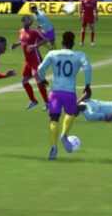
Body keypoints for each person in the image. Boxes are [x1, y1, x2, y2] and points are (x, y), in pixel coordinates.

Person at [36, 31, 92, 160]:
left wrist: (43, 79)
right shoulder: (79, 55)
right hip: (69, 92)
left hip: (55, 92)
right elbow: (88, 67)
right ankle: (64, 134)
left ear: (62, 43)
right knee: (71, 113)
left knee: (54, 119)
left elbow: (40, 69)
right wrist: (87, 85)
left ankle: (53, 147)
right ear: (73, 43)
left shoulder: (52, 54)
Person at [10, 15, 50, 110]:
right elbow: (22, 41)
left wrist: (35, 46)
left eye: (29, 21)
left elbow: (46, 39)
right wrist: (16, 45)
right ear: (23, 22)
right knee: (24, 81)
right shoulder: (21, 31)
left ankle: (47, 103)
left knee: (37, 79)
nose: (27, 23)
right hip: (27, 61)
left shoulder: (34, 31)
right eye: (25, 21)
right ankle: (33, 101)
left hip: (35, 59)